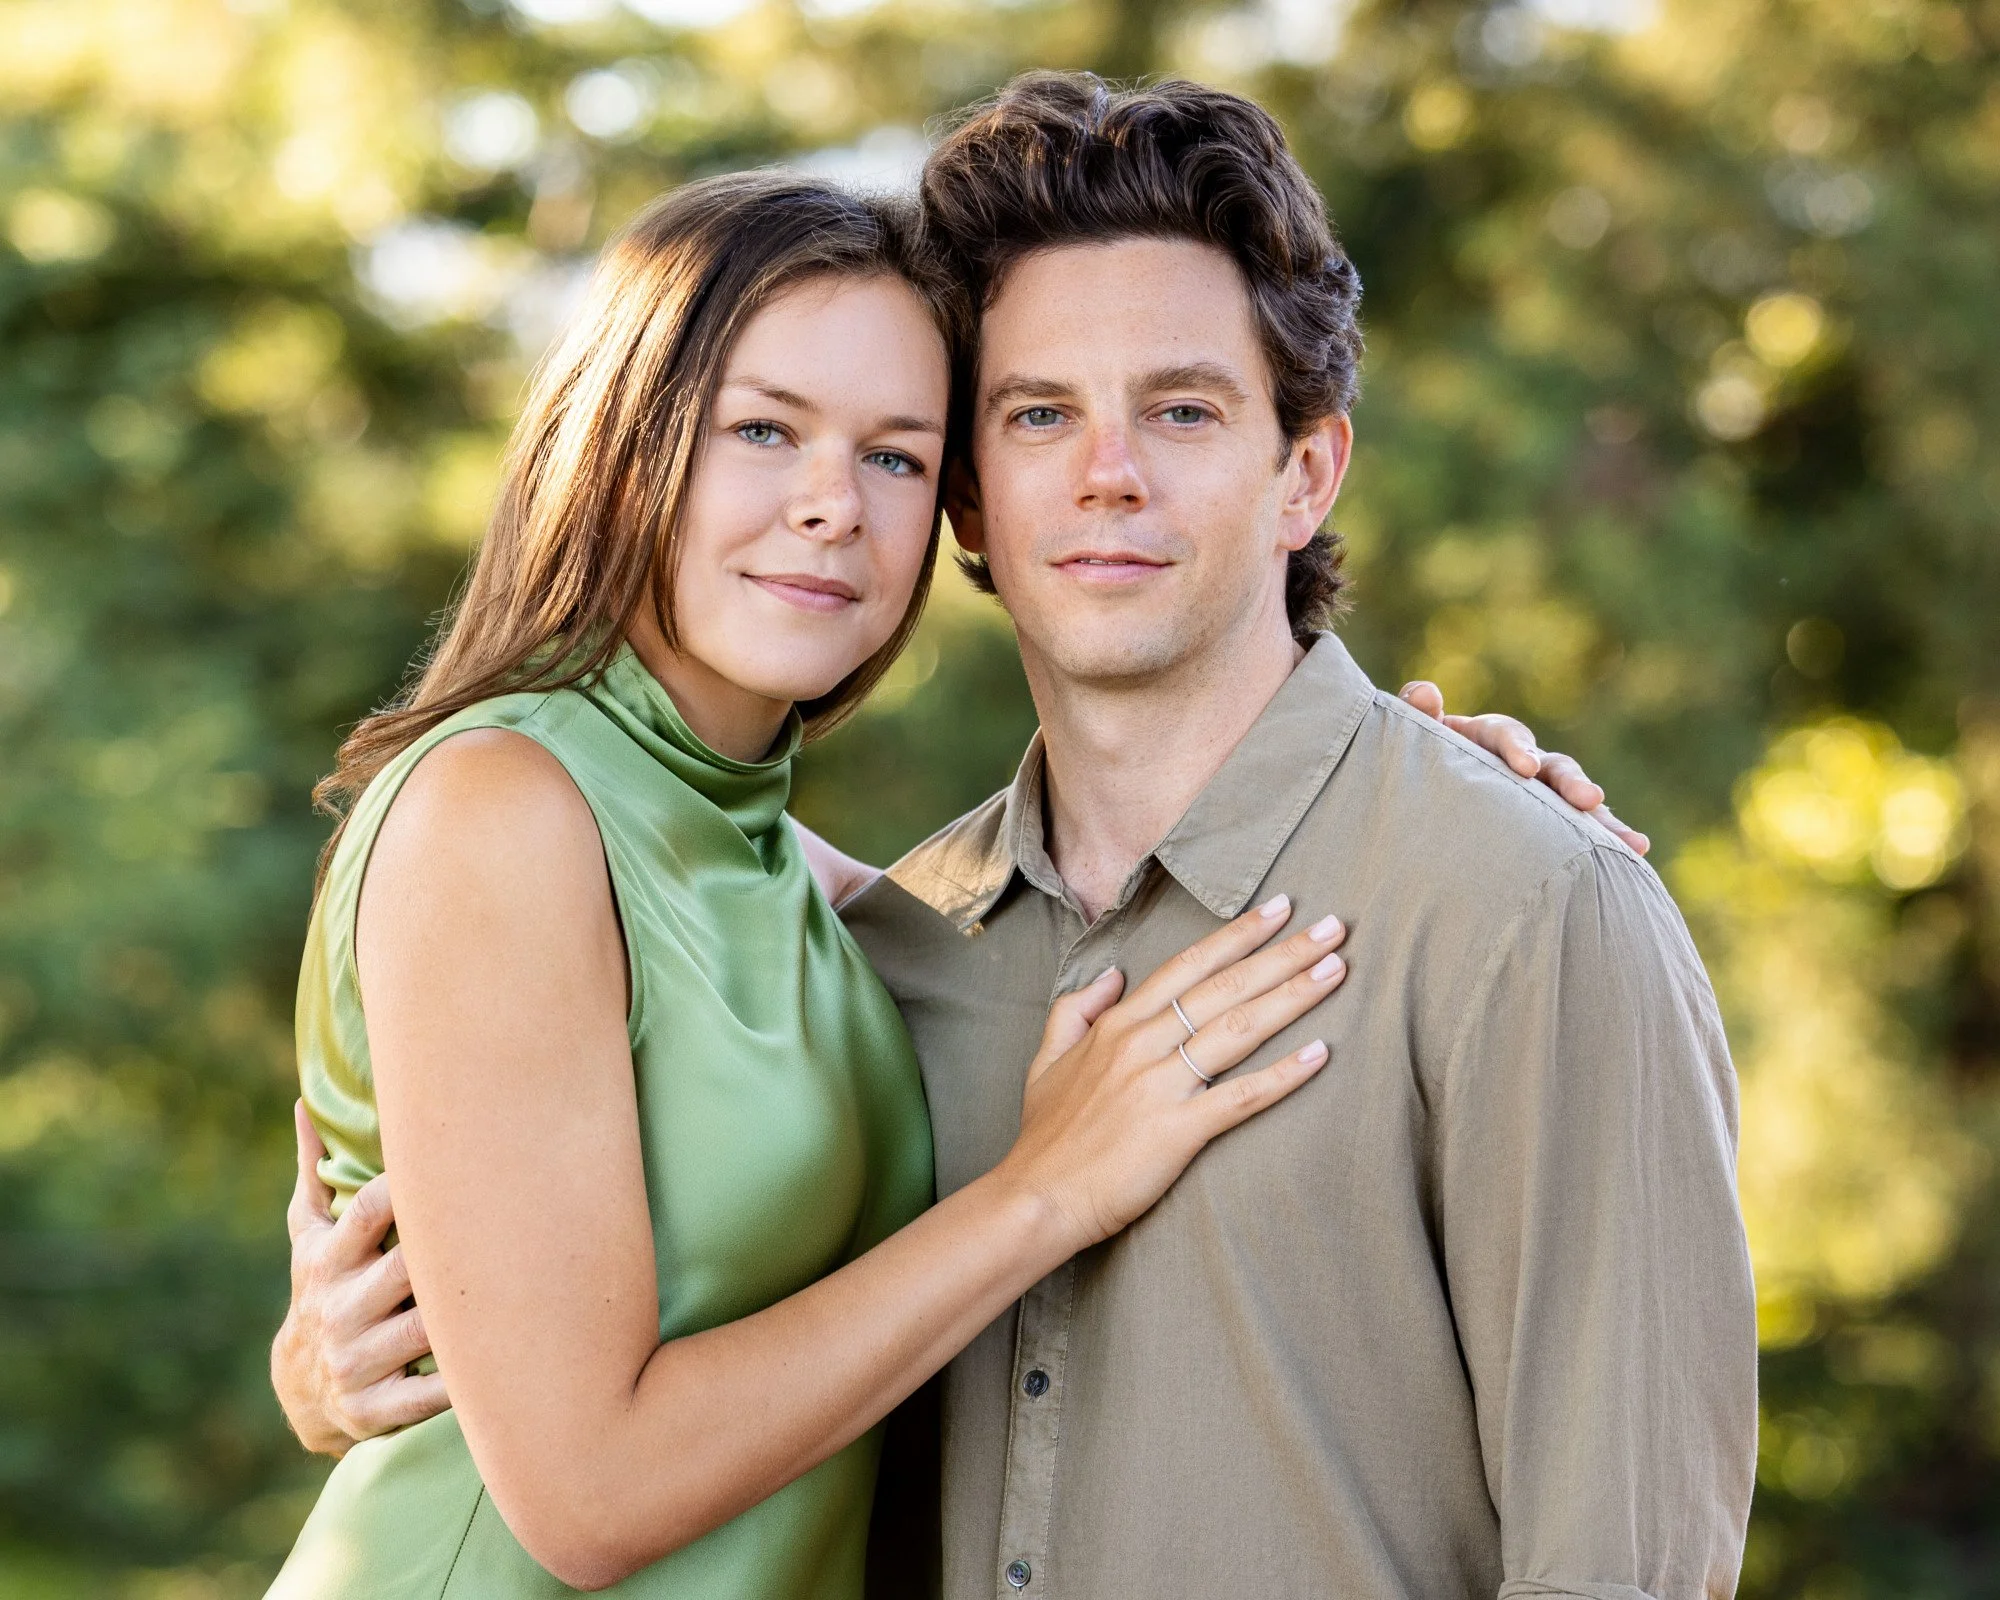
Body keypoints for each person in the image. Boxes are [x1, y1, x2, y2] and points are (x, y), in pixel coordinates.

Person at [274, 73, 1750, 1600]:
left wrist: (1468, 813)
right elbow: (546, 1418)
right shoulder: (874, 941)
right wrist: (325, 1366)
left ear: (1304, 472)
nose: (1107, 471)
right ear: (987, 505)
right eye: (1041, 414)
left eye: (1182, 409)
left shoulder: (1514, 906)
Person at [266, 169, 1365, 1599]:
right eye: (763, 432)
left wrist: (1402, 768)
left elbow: (1092, 868)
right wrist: (1041, 1197)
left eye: (897, 457)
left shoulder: (791, 872)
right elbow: (588, 1497)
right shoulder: (503, 811)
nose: (830, 507)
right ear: (619, 442)